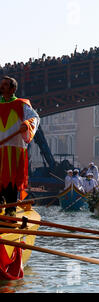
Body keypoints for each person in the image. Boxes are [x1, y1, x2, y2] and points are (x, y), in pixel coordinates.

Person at [0, 76, 40, 216]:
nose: (2, 86)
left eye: (5, 85)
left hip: (14, 149)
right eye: (1, 84)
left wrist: (27, 125)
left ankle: (10, 210)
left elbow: (35, 118)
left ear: (13, 89)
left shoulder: (21, 104)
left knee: (11, 181)